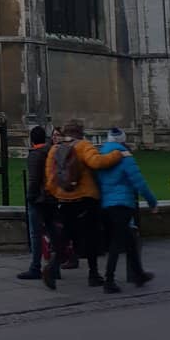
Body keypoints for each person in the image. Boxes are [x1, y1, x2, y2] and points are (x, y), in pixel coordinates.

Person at [43, 119, 125, 290]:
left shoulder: (55, 148)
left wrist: (57, 192)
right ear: (80, 132)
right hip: (85, 199)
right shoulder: (83, 145)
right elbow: (97, 163)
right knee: (91, 238)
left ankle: (52, 267)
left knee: (66, 236)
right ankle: (93, 274)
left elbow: (50, 176)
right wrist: (118, 154)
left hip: (64, 200)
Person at [96, 128, 158, 294]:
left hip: (106, 204)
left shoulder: (101, 155)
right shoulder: (124, 156)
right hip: (122, 203)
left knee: (129, 239)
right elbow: (138, 181)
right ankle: (109, 281)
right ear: (122, 140)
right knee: (117, 242)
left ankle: (138, 274)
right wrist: (152, 201)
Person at [17, 126, 60, 280]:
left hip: (39, 200)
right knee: (52, 231)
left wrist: (30, 197)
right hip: (52, 197)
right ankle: (56, 267)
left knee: (36, 234)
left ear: (32, 139)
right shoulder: (52, 152)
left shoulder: (35, 155)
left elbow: (34, 180)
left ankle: (35, 267)